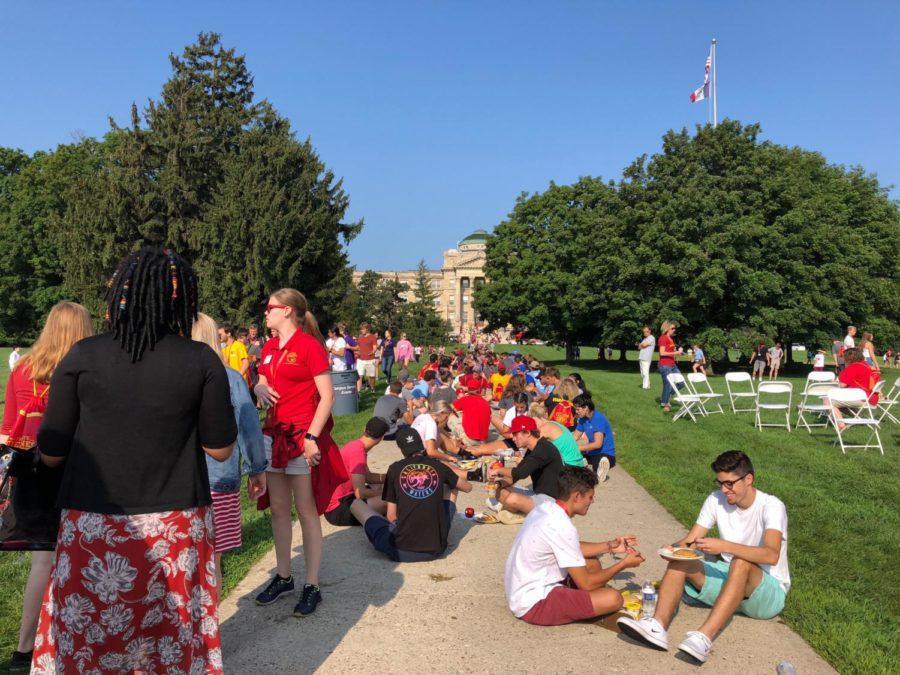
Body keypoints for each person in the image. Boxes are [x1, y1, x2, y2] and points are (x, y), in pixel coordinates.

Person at [33, 248, 236, 673]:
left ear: (121, 295)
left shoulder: (83, 356)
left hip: (94, 525)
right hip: (175, 527)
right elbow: (220, 449)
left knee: (91, 638)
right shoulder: (200, 360)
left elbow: (51, 450)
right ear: (180, 301)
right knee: (171, 639)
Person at [618, 451, 790, 664]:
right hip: (732, 580)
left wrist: (725, 546)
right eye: (720, 483)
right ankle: (657, 627)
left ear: (748, 479)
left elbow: (771, 555)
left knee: (741, 562)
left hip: (767, 593)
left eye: (729, 484)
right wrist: (673, 549)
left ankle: (703, 639)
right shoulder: (716, 500)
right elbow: (691, 540)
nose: (724, 490)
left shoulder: (772, 506)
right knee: (682, 558)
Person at [0, 302, 92, 671]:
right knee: (83, 558)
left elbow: (8, 429)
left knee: (43, 561)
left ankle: (26, 648)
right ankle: (75, 637)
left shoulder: (23, 369)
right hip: (78, 471)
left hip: (32, 473)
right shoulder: (85, 371)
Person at [253, 288, 347, 617]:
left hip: (300, 436)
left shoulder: (309, 346)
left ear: (289, 311)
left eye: (271, 308)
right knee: (279, 510)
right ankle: (283, 576)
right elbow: (263, 378)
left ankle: (311, 584)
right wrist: (257, 385)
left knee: (306, 511)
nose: (266, 313)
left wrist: (312, 436)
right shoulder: (267, 347)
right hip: (273, 435)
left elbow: (328, 396)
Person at [505, 466, 644, 626]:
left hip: (520, 590)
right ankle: (587, 606)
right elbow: (587, 584)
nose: (592, 501)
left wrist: (611, 546)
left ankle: (584, 603)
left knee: (592, 564)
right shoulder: (562, 526)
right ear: (577, 496)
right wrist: (623, 564)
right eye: (590, 497)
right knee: (613, 598)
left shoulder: (546, 509)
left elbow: (571, 547)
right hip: (534, 604)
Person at [192, 313, 268, 589]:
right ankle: (212, 627)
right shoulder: (231, 379)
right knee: (213, 559)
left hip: (179, 481)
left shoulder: (169, 378)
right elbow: (249, 428)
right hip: (220, 478)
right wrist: (257, 469)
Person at [350, 428, 472, 562]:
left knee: (356, 504)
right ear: (421, 444)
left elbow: (391, 517)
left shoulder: (395, 469)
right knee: (452, 485)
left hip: (400, 550)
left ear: (401, 449)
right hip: (436, 550)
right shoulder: (438, 465)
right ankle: (435, 529)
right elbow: (467, 487)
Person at [488, 416, 564, 516]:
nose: (513, 438)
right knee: (499, 492)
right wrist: (499, 484)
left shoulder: (543, 449)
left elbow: (521, 473)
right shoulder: (533, 448)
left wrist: (498, 470)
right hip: (537, 494)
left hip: (551, 501)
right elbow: (517, 474)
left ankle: (523, 514)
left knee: (512, 499)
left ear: (527, 433)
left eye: (515, 434)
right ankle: (523, 512)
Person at [325, 417, 389, 527]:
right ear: (382, 438)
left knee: (380, 485)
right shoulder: (358, 453)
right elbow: (361, 493)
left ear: (364, 429)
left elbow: (368, 477)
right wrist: (388, 494)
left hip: (344, 499)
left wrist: (390, 477)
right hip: (338, 510)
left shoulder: (356, 445)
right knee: (390, 501)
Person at [828, 347, 881, 429]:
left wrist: (832, 382)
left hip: (861, 399)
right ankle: (858, 418)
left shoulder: (852, 367)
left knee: (828, 400)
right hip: (872, 398)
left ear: (848, 358)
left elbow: (841, 385)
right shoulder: (868, 365)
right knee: (838, 403)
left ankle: (840, 425)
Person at [572, 394, 615, 483]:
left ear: (586, 408)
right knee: (573, 456)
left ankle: (601, 468)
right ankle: (585, 462)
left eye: (578, 409)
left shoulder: (598, 419)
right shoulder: (582, 419)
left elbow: (597, 444)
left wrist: (578, 448)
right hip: (592, 453)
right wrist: (566, 445)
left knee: (598, 461)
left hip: (606, 453)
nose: (576, 412)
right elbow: (575, 436)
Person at [529, 403, 584, 467]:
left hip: (570, 465)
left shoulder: (544, 428)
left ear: (536, 418)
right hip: (578, 462)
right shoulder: (554, 423)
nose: (533, 426)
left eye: (532, 422)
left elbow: (532, 446)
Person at [658, 321, 683, 412]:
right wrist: (675, 352)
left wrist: (678, 353)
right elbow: (662, 353)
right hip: (665, 365)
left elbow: (671, 353)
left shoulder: (671, 339)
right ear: (667, 328)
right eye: (672, 328)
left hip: (672, 365)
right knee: (668, 384)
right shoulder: (663, 338)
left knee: (681, 383)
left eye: (674, 328)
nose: (674, 330)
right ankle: (665, 403)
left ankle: (665, 397)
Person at [354, 322, 378, 392]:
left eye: (363, 329)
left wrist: (373, 352)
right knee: (359, 376)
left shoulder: (372, 337)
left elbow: (375, 347)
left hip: (370, 359)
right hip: (360, 360)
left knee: (371, 377)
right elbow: (358, 347)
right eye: (361, 329)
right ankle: (358, 392)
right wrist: (351, 348)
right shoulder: (360, 337)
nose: (361, 330)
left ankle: (372, 387)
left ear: (367, 329)